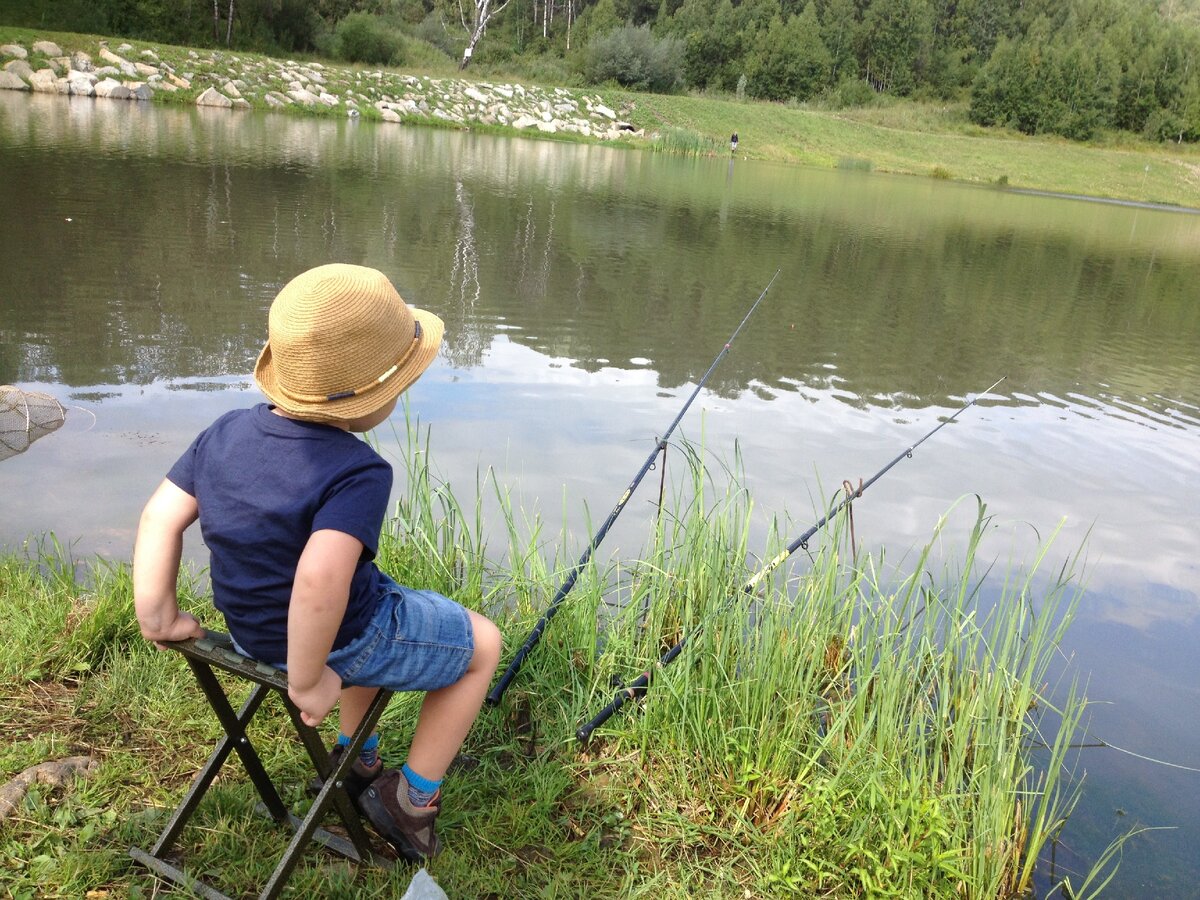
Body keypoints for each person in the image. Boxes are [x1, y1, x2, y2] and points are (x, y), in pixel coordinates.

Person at [133, 263, 501, 861]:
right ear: (370, 397)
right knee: (481, 646)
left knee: (377, 599)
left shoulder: (223, 433)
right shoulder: (357, 471)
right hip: (323, 648)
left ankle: (357, 759)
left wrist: (160, 620)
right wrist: (307, 680)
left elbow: (158, 518)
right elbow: (319, 578)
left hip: (251, 637)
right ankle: (410, 802)